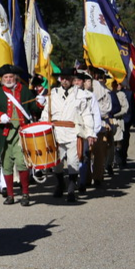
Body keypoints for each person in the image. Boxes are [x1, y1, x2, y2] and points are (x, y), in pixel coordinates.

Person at [0, 64, 40, 206]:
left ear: (15, 77)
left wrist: (40, 103)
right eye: (6, 77)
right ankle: (10, 195)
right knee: (6, 165)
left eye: (11, 76)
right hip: (4, 134)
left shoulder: (25, 91)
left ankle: (25, 193)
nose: (9, 79)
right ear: (2, 79)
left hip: (22, 134)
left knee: (21, 163)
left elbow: (34, 108)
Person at [41, 68, 95, 202]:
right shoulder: (52, 95)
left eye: (68, 78)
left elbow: (86, 115)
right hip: (56, 132)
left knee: (73, 161)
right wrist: (42, 127)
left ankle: (71, 189)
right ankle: (60, 184)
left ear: (72, 79)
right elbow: (45, 114)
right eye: (63, 78)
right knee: (56, 163)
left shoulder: (80, 95)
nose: (65, 80)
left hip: (73, 132)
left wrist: (90, 133)